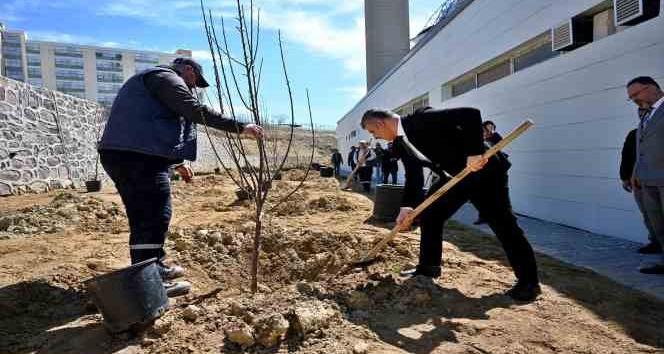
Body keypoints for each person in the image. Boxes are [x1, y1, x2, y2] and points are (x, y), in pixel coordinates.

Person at [98, 57, 264, 296]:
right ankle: (150, 281)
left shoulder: (154, 82)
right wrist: (240, 127)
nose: (194, 87)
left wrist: (176, 163)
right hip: (135, 158)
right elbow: (193, 109)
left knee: (148, 215)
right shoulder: (165, 77)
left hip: (134, 155)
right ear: (188, 70)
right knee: (153, 214)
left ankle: (152, 268)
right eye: (195, 81)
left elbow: (151, 126)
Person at [361, 107, 540, 301]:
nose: (375, 137)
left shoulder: (421, 118)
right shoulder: (400, 143)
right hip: (455, 176)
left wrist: (474, 152)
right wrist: (407, 207)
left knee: (502, 223)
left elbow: (470, 114)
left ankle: (529, 283)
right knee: (430, 215)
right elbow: (414, 175)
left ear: (381, 123)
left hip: (485, 172)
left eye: (373, 132)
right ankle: (428, 268)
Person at [628, 76, 664, 274]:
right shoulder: (645, 114)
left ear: (652, 88)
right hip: (648, 179)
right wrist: (635, 171)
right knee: (658, 225)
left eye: (636, 94)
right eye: (631, 97)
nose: (634, 99)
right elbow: (641, 147)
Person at [620, 107, 661, 254]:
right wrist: (625, 177)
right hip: (638, 181)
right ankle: (655, 242)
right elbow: (627, 156)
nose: (643, 115)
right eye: (641, 113)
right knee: (648, 214)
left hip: (657, 180)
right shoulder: (634, 134)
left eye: (646, 113)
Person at [474, 121, 505, 225]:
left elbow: (501, 143)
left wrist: (492, 132)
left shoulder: (494, 139)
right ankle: (482, 217)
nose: (486, 131)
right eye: (485, 129)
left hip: (496, 173)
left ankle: (499, 218)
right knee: (482, 196)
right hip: (482, 172)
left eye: (489, 129)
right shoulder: (479, 140)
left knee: (497, 196)